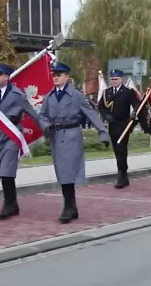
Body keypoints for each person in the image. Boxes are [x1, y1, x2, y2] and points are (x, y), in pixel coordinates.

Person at [39, 63, 109, 223]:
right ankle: (72, 207)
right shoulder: (49, 96)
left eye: (59, 74)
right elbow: (42, 116)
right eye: (54, 74)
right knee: (62, 171)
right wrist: (46, 126)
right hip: (56, 136)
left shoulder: (76, 95)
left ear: (67, 77)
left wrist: (102, 132)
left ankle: (68, 207)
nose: (55, 77)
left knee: (68, 171)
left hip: (71, 135)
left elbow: (90, 113)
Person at [0, 63, 45, 220]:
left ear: (7, 76)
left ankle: (8, 205)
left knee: (7, 171)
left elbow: (32, 113)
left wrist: (47, 127)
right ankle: (13, 204)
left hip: (12, 135)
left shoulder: (17, 94)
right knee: (0, 171)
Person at [98, 70, 140, 188]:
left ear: (121, 79)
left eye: (116, 79)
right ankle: (123, 175)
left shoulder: (127, 92)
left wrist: (134, 113)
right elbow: (101, 106)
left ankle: (121, 174)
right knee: (117, 151)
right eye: (112, 79)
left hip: (123, 125)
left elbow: (136, 104)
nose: (114, 81)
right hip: (113, 125)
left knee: (122, 149)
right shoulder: (107, 92)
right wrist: (106, 116)